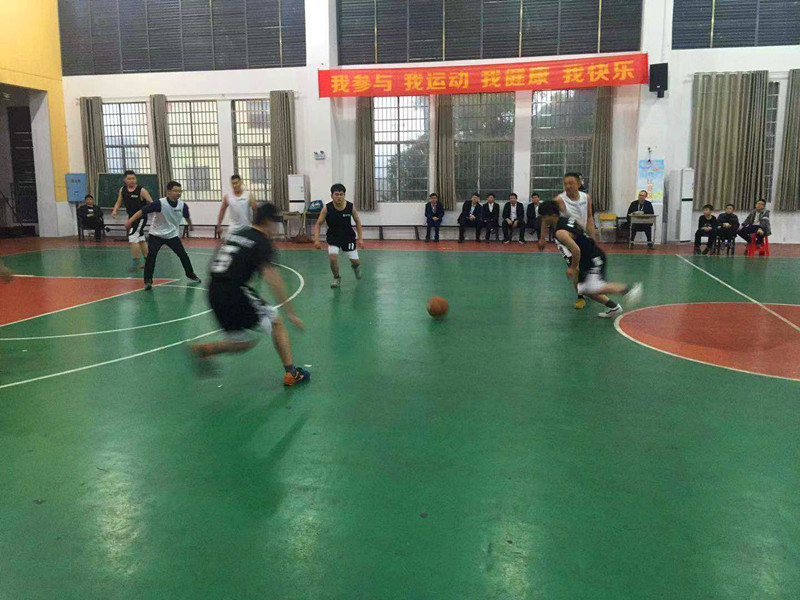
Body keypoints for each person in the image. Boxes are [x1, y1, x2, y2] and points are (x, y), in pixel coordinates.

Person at [189, 203, 310, 387]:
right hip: (234, 292)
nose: (275, 229)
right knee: (276, 321)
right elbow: (274, 281)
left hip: (213, 290)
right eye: (275, 223)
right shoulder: (262, 241)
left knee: (242, 342)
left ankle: (205, 350)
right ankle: (291, 373)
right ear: (268, 221)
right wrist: (291, 312)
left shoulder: (236, 233)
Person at [538, 200, 642, 319]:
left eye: (544, 217)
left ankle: (628, 290)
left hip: (593, 258)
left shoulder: (560, 232)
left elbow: (576, 250)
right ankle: (613, 307)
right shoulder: (566, 220)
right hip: (587, 259)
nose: (543, 220)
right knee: (583, 289)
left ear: (552, 215)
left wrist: (573, 268)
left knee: (595, 287)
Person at [125, 180, 201, 291]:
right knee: (151, 256)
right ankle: (148, 281)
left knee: (183, 255)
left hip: (172, 235)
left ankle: (190, 274)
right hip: (156, 234)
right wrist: (130, 221)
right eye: (175, 191)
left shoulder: (182, 205)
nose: (178, 193)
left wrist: (190, 225)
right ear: (168, 192)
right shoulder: (159, 203)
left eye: (180, 191)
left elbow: (187, 216)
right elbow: (142, 211)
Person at [540, 173, 596, 309]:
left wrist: (592, 236)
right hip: (565, 238)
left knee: (586, 264)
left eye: (571, 183)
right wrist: (542, 238)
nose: (568, 186)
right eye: (565, 184)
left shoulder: (586, 197)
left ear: (579, 184)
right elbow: (545, 217)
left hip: (581, 235)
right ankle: (580, 297)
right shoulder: (559, 200)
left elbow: (589, 217)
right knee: (575, 266)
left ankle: (587, 288)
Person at [313, 183, 364, 288]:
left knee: (354, 261)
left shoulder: (350, 207)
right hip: (333, 236)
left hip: (348, 237)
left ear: (344, 195)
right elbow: (318, 224)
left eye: (341, 194)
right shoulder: (327, 208)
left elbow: (358, 221)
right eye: (336, 194)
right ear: (332, 195)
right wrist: (316, 240)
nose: (339, 197)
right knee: (332, 258)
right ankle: (336, 277)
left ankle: (356, 267)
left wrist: (360, 238)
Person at [111, 170, 154, 271]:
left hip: (141, 218)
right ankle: (148, 261)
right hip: (131, 217)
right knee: (141, 239)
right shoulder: (122, 190)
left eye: (133, 178)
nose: (132, 180)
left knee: (133, 237)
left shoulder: (141, 190)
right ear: (125, 180)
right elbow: (119, 201)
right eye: (129, 179)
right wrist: (114, 210)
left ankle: (136, 263)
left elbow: (152, 203)